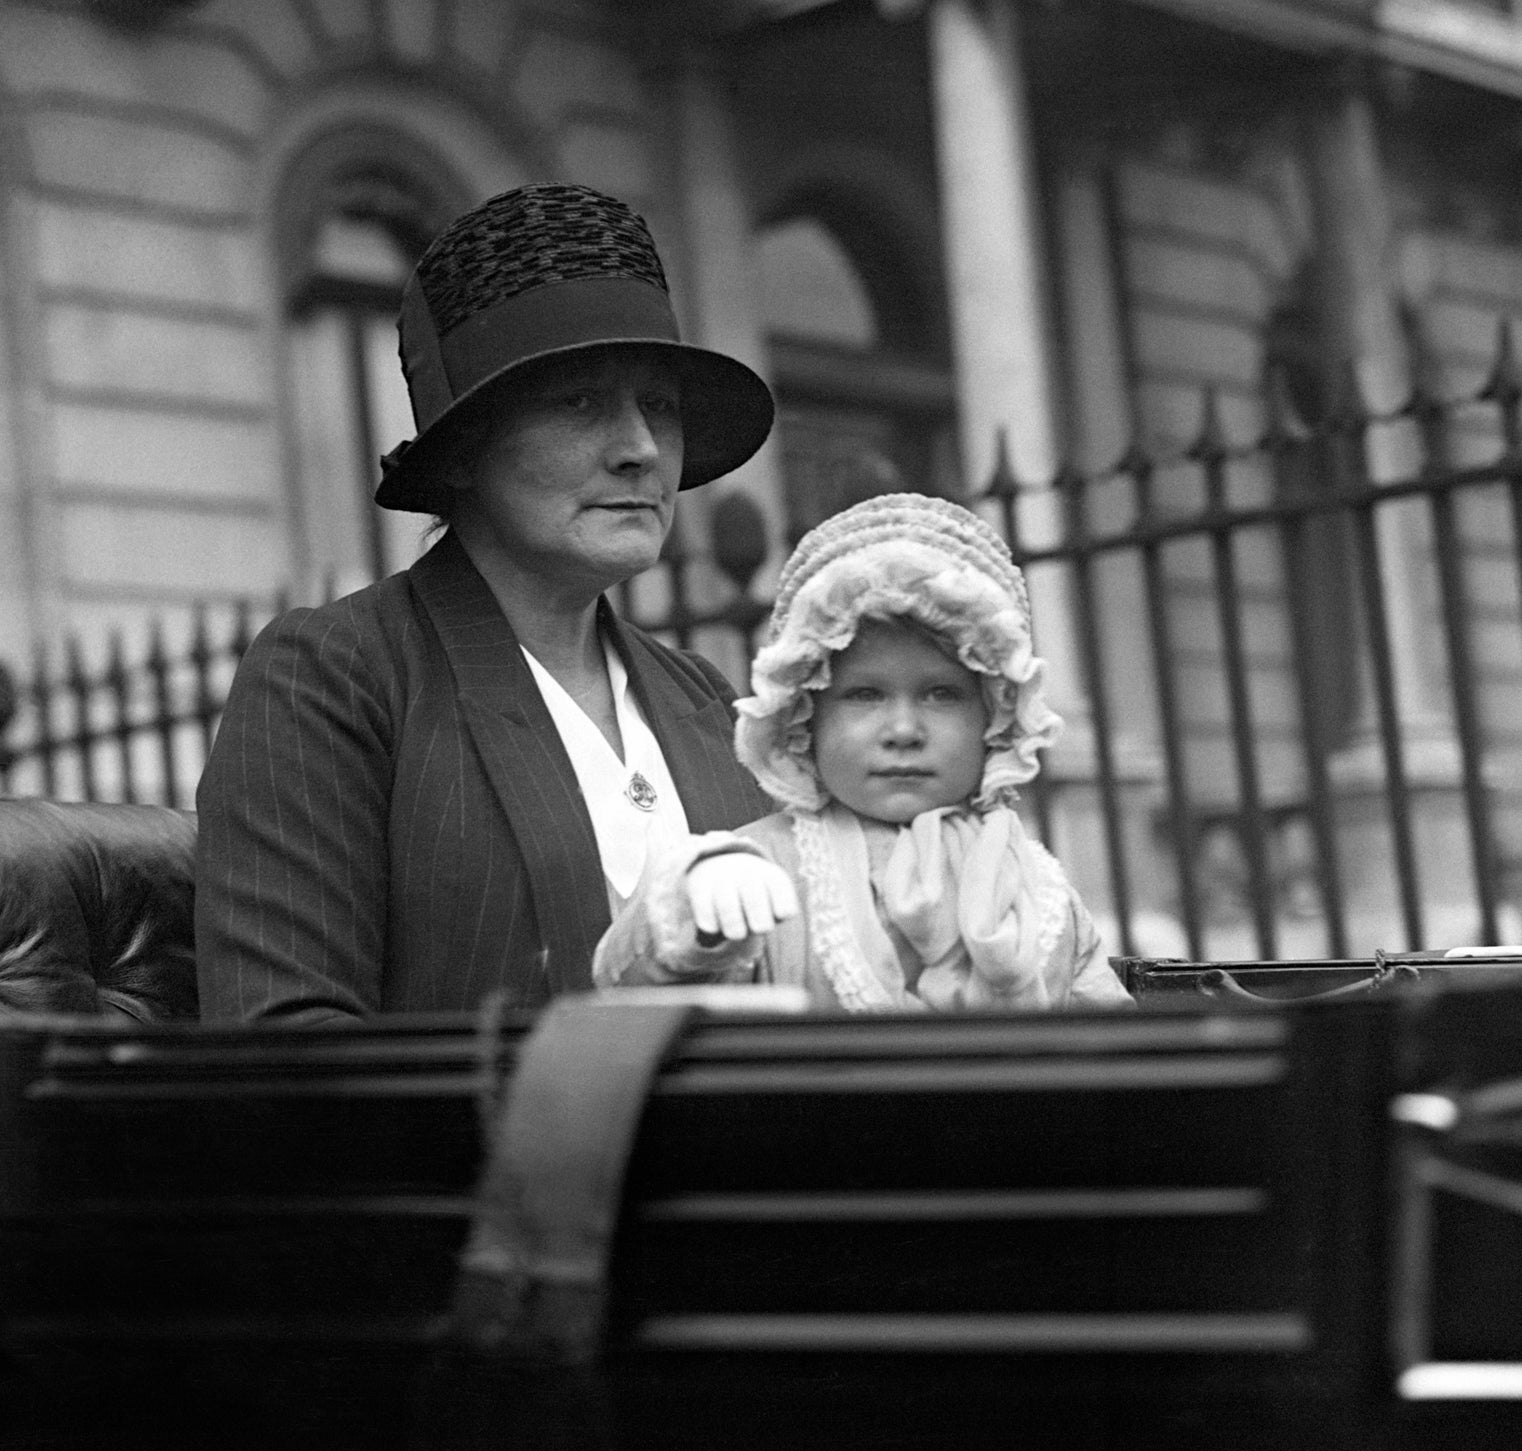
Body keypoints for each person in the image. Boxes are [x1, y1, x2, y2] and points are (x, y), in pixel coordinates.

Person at [196, 183, 787, 1026]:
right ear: (469, 447)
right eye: (580, 401)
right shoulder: (337, 677)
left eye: (658, 404)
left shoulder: (708, 699)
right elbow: (287, 1045)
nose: (640, 449)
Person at [593, 493, 1132, 1011]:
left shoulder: (1038, 886)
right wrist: (691, 918)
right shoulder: (762, 870)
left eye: (941, 694)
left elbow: (1123, 1061)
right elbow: (626, 1000)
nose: (903, 729)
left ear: (995, 714)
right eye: (865, 695)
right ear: (804, 715)